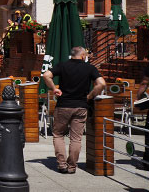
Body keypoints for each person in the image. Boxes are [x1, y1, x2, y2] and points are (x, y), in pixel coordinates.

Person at [43, 46, 106, 174]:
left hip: (63, 105)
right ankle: (72, 166)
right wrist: (90, 96)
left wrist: (54, 89)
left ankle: (62, 165)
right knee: (76, 138)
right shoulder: (90, 68)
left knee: (58, 134)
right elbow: (101, 84)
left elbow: (46, 75)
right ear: (83, 55)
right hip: (81, 106)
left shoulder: (62, 65)